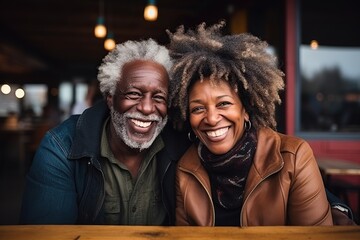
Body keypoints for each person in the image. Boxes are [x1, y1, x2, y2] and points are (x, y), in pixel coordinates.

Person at [167, 21, 354, 226]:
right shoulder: (186, 168)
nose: (211, 118)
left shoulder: (294, 158)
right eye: (198, 108)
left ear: (246, 109)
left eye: (224, 103)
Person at [20, 38, 189, 225]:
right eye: (133, 94)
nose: (147, 108)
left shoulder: (182, 147)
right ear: (110, 98)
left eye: (159, 97)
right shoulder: (61, 147)